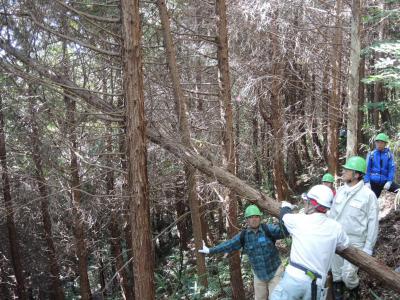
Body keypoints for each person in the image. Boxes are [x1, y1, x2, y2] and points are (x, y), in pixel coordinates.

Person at [270, 185, 349, 300]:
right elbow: (343, 246)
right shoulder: (336, 228)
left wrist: (286, 206)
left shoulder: (299, 220)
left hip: (294, 279)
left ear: (313, 204)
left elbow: (284, 215)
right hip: (316, 286)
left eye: (307, 201)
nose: (305, 204)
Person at [198, 204, 287, 300]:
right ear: (247, 220)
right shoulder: (243, 236)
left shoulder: (268, 229)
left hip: (275, 272)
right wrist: (210, 250)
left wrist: (285, 212)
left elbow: (284, 232)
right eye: (251, 217)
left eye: (256, 216)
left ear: (260, 218)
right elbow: (228, 245)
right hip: (259, 276)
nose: (254, 219)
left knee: (277, 298)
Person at [330, 156, 379, 299]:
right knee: (337, 273)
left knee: (348, 274)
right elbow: (332, 214)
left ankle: (354, 291)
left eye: (347, 170)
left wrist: (369, 247)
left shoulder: (368, 195)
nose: (343, 171)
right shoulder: (340, 191)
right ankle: (338, 294)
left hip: (356, 243)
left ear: (357, 175)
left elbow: (373, 223)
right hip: (337, 239)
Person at [364, 132, 400, 198]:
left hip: (385, 181)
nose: (379, 144)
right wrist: (367, 182)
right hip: (373, 182)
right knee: (371, 199)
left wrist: (389, 181)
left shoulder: (389, 155)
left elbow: (391, 170)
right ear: (375, 143)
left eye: (382, 142)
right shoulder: (371, 154)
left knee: (399, 190)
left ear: (385, 144)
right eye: (378, 142)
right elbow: (367, 169)